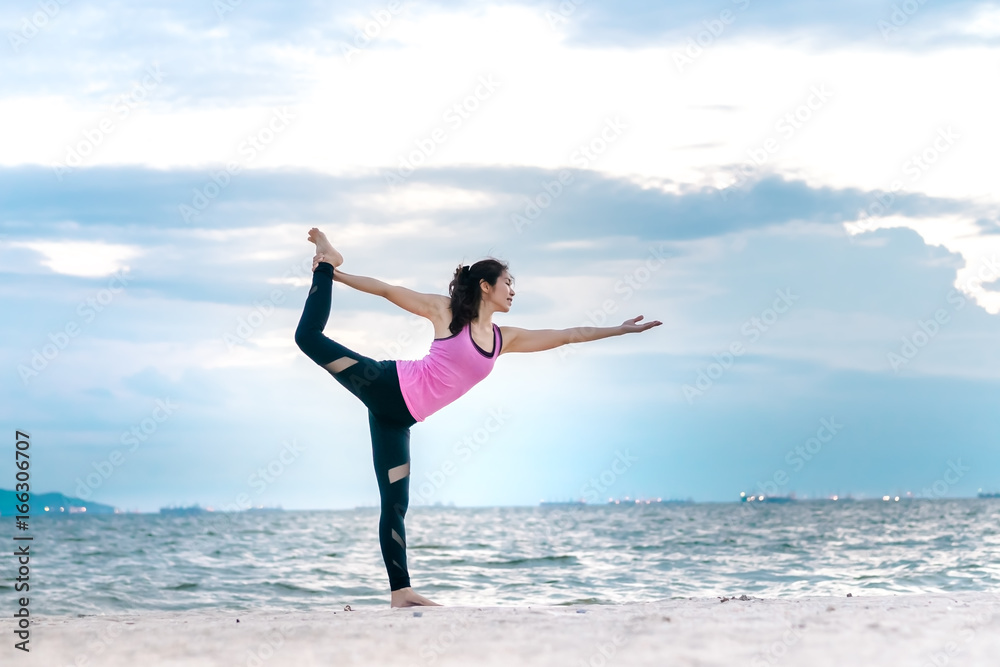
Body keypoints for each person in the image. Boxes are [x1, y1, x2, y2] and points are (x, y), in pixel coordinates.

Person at [294, 228, 662, 607]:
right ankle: (328, 259)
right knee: (307, 338)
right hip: (385, 385)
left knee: (395, 504)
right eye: (508, 282)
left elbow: (567, 335)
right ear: (486, 286)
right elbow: (388, 291)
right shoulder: (447, 313)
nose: (513, 290)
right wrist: (334, 274)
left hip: (399, 420)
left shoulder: (505, 339)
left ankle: (401, 593)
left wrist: (619, 330)